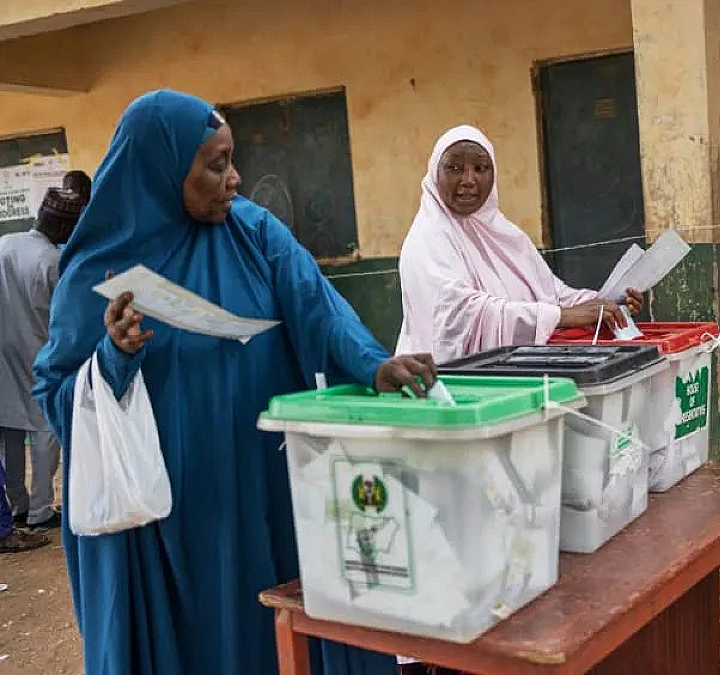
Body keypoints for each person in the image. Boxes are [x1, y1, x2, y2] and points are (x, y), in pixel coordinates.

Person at [32, 90, 435, 675]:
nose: (234, 179)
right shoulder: (99, 268)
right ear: (163, 167)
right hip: (168, 516)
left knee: (271, 623)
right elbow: (59, 396)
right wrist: (113, 357)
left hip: (261, 484)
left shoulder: (254, 233)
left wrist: (373, 363)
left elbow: (317, 305)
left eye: (232, 160)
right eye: (216, 165)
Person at [397, 125, 642, 363]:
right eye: (454, 168)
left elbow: (552, 294)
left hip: (513, 378)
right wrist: (562, 317)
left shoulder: (504, 234)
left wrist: (606, 304)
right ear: (434, 173)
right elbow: (460, 315)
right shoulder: (428, 238)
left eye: (481, 168)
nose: (469, 179)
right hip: (449, 388)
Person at [0, 187, 87, 543]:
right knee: (44, 428)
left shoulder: (6, 242)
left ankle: (18, 504)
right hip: (36, 348)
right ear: (65, 228)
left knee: (10, 429)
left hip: (3, 348)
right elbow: (63, 316)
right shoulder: (52, 261)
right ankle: (40, 511)